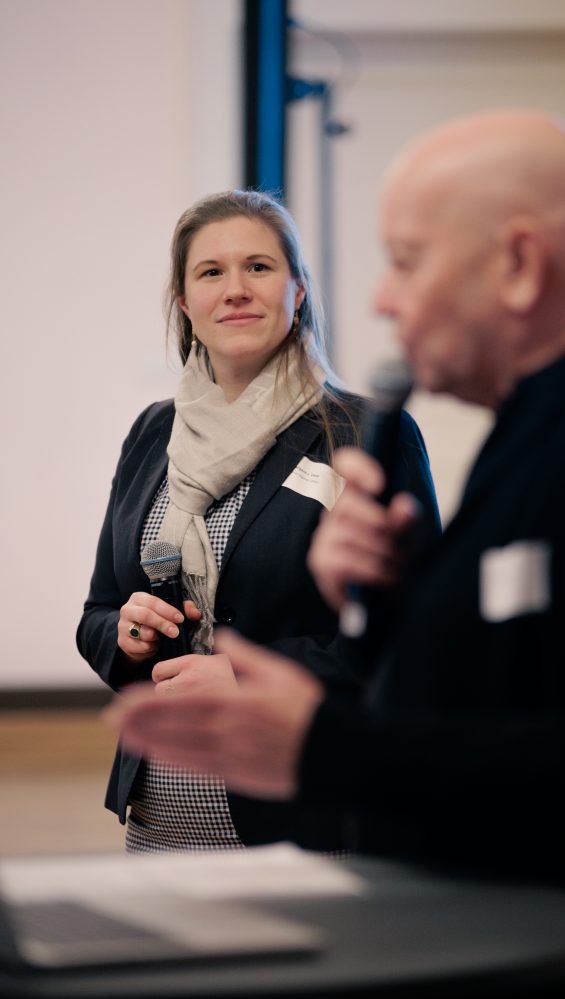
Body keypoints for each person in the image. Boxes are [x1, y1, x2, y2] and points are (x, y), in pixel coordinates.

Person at [108, 111, 565, 999]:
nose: (382, 299)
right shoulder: (540, 429)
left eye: (407, 262)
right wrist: (386, 600)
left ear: (519, 264)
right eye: (210, 273)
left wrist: (322, 740)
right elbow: (500, 686)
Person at [77, 188, 439, 861]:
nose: (235, 289)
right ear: (185, 303)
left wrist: (248, 676)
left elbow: (417, 636)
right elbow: (98, 612)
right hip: (160, 822)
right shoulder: (153, 434)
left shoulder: (363, 433)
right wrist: (125, 637)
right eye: (211, 272)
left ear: (297, 290)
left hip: (304, 825)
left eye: (259, 267)